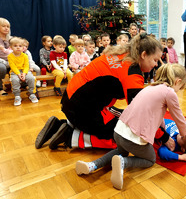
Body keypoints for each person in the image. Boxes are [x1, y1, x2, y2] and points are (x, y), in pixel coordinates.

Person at [35, 33, 174, 153]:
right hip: (80, 108)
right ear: (143, 55)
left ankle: (61, 125)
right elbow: (140, 115)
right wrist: (163, 137)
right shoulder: (132, 73)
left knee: (121, 115)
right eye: (155, 60)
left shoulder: (123, 53)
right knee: (123, 138)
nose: (156, 64)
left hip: (72, 99)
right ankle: (69, 135)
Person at [74, 63, 186, 190]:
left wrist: (164, 134)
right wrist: (185, 133)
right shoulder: (169, 92)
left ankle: (92, 166)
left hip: (118, 131)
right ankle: (124, 163)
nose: (178, 91)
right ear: (178, 81)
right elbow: (178, 116)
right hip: (132, 138)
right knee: (150, 160)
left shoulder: (150, 87)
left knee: (120, 152)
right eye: (180, 88)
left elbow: (159, 117)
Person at [7, 37, 38, 106]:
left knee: (31, 78)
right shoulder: (10, 56)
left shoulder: (25, 56)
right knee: (15, 80)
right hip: (15, 72)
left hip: (25, 71)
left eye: (20, 46)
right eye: (15, 46)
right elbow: (13, 67)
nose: (18, 48)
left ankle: (31, 94)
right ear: (11, 47)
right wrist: (18, 74)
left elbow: (26, 65)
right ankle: (17, 96)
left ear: (23, 47)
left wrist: (24, 74)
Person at [0, 17, 12, 96]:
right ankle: (0, 88)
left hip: (11, 60)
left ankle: (21, 85)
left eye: (8, 26)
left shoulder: (11, 39)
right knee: (1, 68)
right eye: (4, 26)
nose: (6, 28)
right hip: (1, 61)